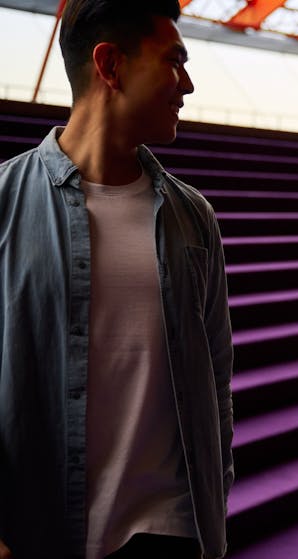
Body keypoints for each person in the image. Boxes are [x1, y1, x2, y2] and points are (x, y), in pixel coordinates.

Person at [0, 1, 234, 558]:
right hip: (35, 532)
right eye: (173, 61)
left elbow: (216, 374)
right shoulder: (5, 203)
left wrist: (213, 494)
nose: (188, 84)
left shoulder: (193, 216)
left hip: (170, 532)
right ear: (110, 65)